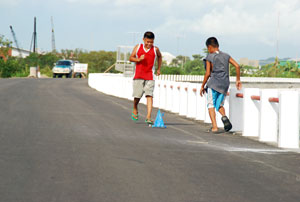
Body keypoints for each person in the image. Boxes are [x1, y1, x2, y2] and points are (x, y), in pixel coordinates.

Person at [200, 37, 242, 132]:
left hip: (213, 84)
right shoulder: (226, 56)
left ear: (210, 47)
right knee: (219, 104)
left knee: (210, 104)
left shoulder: (209, 57)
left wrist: (202, 86)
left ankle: (214, 127)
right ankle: (224, 117)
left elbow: (207, 74)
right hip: (224, 84)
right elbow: (237, 66)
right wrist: (238, 80)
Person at [129, 31, 162, 125]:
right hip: (138, 75)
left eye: (151, 42)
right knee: (137, 96)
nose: (149, 44)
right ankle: (135, 108)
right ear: (143, 40)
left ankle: (148, 117)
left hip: (150, 76)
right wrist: (138, 59)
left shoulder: (155, 49)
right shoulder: (138, 47)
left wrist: (159, 68)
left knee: (149, 95)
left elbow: (160, 57)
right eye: (147, 42)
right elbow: (131, 58)